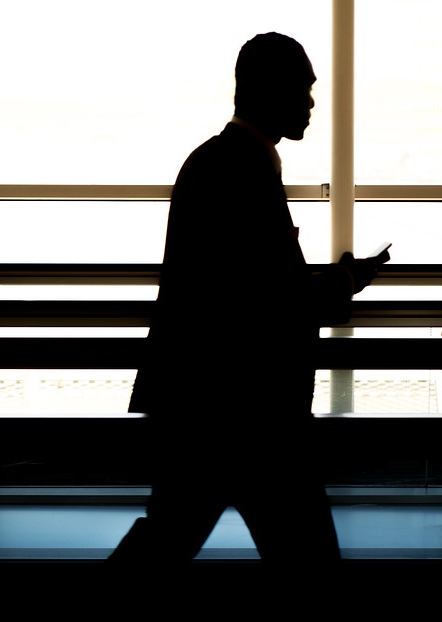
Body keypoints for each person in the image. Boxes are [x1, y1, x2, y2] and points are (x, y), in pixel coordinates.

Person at [109, 32, 385, 564]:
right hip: (249, 416)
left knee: (166, 539)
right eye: (303, 90)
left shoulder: (215, 161)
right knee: (304, 554)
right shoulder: (246, 169)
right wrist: (348, 282)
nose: (310, 103)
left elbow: (247, 283)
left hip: (204, 408)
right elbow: (276, 297)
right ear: (271, 91)